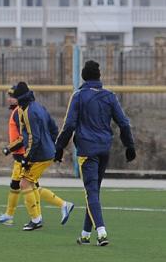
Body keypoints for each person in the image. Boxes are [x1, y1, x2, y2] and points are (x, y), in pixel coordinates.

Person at [54, 60, 135, 247]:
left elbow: (69, 124)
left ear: (83, 76)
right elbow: (123, 122)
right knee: (94, 193)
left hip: (87, 150)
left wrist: (59, 147)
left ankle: (101, 232)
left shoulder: (79, 96)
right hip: (104, 149)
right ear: (99, 77)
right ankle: (85, 234)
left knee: (90, 192)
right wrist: (129, 145)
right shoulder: (109, 96)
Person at [0, 85, 74, 226]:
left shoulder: (22, 112)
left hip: (26, 154)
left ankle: (34, 216)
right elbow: (50, 129)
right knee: (28, 186)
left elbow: (27, 137)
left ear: (19, 98)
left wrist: (12, 149)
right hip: (28, 154)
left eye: (12, 97)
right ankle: (23, 216)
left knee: (24, 185)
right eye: (9, 96)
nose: (9, 99)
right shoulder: (24, 109)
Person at [11, 81, 59, 231]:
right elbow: (54, 128)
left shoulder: (28, 112)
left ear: (19, 97)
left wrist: (27, 157)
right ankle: (38, 217)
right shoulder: (38, 107)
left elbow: (34, 138)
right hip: (46, 152)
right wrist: (52, 145)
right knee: (31, 184)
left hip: (40, 155)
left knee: (24, 183)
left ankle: (36, 219)